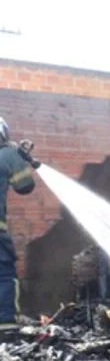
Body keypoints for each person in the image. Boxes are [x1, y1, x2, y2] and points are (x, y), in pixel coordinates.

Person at [0, 118, 39, 330]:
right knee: (4, 275)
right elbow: (25, 186)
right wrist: (19, 157)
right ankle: (4, 325)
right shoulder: (7, 154)